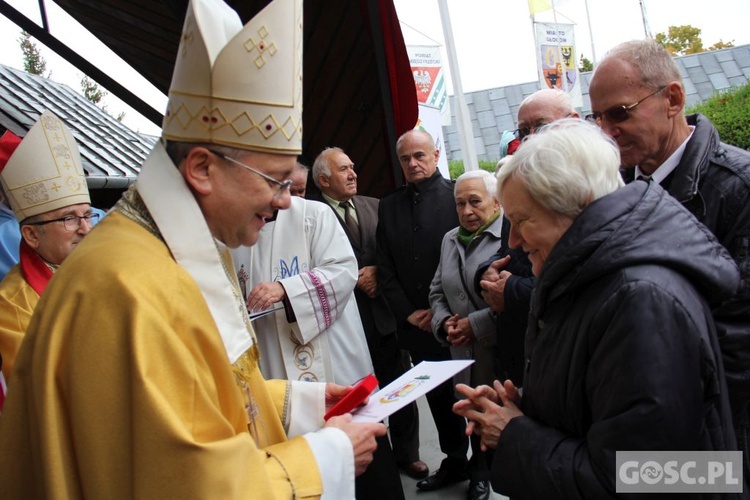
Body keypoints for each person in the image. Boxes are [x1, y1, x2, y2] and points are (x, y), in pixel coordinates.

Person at [0, 1, 387, 498]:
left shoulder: (167, 252)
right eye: (275, 180)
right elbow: (183, 483)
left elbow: (194, 397)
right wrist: (327, 456)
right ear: (202, 168)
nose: (286, 201)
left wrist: (300, 404)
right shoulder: (129, 288)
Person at [453, 119, 740, 499]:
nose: (515, 241)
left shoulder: (641, 301)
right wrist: (525, 407)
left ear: (577, 207)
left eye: (521, 221)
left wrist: (515, 434)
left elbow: (659, 477)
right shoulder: (591, 278)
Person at [587, 38, 750, 479]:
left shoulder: (739, 187)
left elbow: (738, 345)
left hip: (716, 435)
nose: (605, 131)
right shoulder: (608, 190)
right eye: (597, 117)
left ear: (672, 99)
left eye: (619, 113)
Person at [312, 146, 426, 481]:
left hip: (383, 316)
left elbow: (395, 253)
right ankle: (374, 459)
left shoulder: (375, 206)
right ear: (323, 179)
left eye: (352, 166)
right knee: (359, 396)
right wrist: (350, 278)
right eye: (343, 169)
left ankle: (409, 454)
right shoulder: (310, 215)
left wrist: (378, 269)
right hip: (345, 323)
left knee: (399, 389)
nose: (353, 174)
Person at [377, 129, 470, 494]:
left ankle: (480, 468)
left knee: (468, 392)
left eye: (420, 155)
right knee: (438, 396)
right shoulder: (389, 205)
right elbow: (384, 265)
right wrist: (409, 313)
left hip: (455, 319)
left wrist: (442, 310)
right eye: (405, 158)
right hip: (416, 324)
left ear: (436, 153)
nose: (413, 163)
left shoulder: (457, 197)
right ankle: (455, 461)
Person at [428, 170, 530, 500]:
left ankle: (487, 474)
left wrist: (476, 325)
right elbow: (436, 290)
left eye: (475, 202)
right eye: (460, 204)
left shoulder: (510, 237)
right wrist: (444, 324)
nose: (467, 211)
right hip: (459, 348)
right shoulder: (449, 239)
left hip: (496, 349)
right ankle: (476, 469)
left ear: (496, 202)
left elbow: (515, 295)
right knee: (470, 409)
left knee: (497, 413)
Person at [0, 112, 98, 382]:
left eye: (87, 215)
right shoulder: (13, 308)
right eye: (69, 218)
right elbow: (37, 392)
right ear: (31, 235)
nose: (85, 229)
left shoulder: (100, 273)